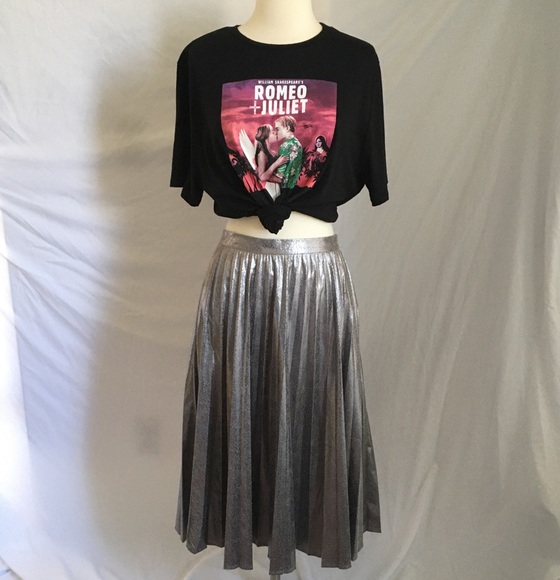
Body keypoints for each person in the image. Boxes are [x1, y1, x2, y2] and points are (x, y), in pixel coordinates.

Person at [170, 0, 388, 576]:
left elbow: (360, 167)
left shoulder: (356, 61)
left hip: (318, 276)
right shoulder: (202, 59)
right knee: (240, 414)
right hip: (237, 274)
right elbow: (199, 172)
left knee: (317, 417)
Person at [272, 115, 303, 191]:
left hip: (285, 187)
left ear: (287, 128)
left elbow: (286, 170)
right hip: (288, 185)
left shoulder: (290, 145)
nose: (276, 132)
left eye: (278, 129)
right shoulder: (293, 143)